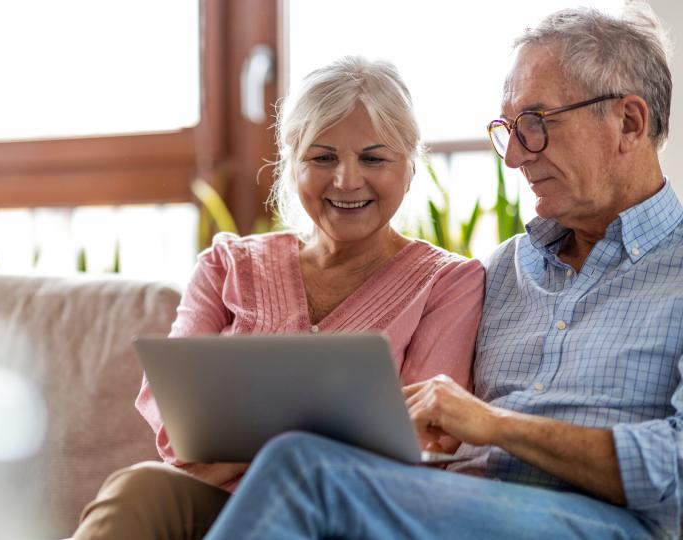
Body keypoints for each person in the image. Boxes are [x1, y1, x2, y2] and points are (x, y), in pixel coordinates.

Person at [202, 4, 682, 539]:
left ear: (629, 122)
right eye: (508, 129)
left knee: (306, 470)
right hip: (456, 503)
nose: (514, 158)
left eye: (535, 125)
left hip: (605, 523)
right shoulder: (502, 270)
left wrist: (493, 424)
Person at [72, 56, 485, 540]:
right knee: (141, 486)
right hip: (218, 506)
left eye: (374, 158)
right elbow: (176, 418)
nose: (347, 180)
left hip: (340, 517)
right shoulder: (226, 264)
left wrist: (240, 456)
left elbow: (421, 442)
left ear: (411, 168)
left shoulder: (449, 282)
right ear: (292, 164)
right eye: (322, 157)